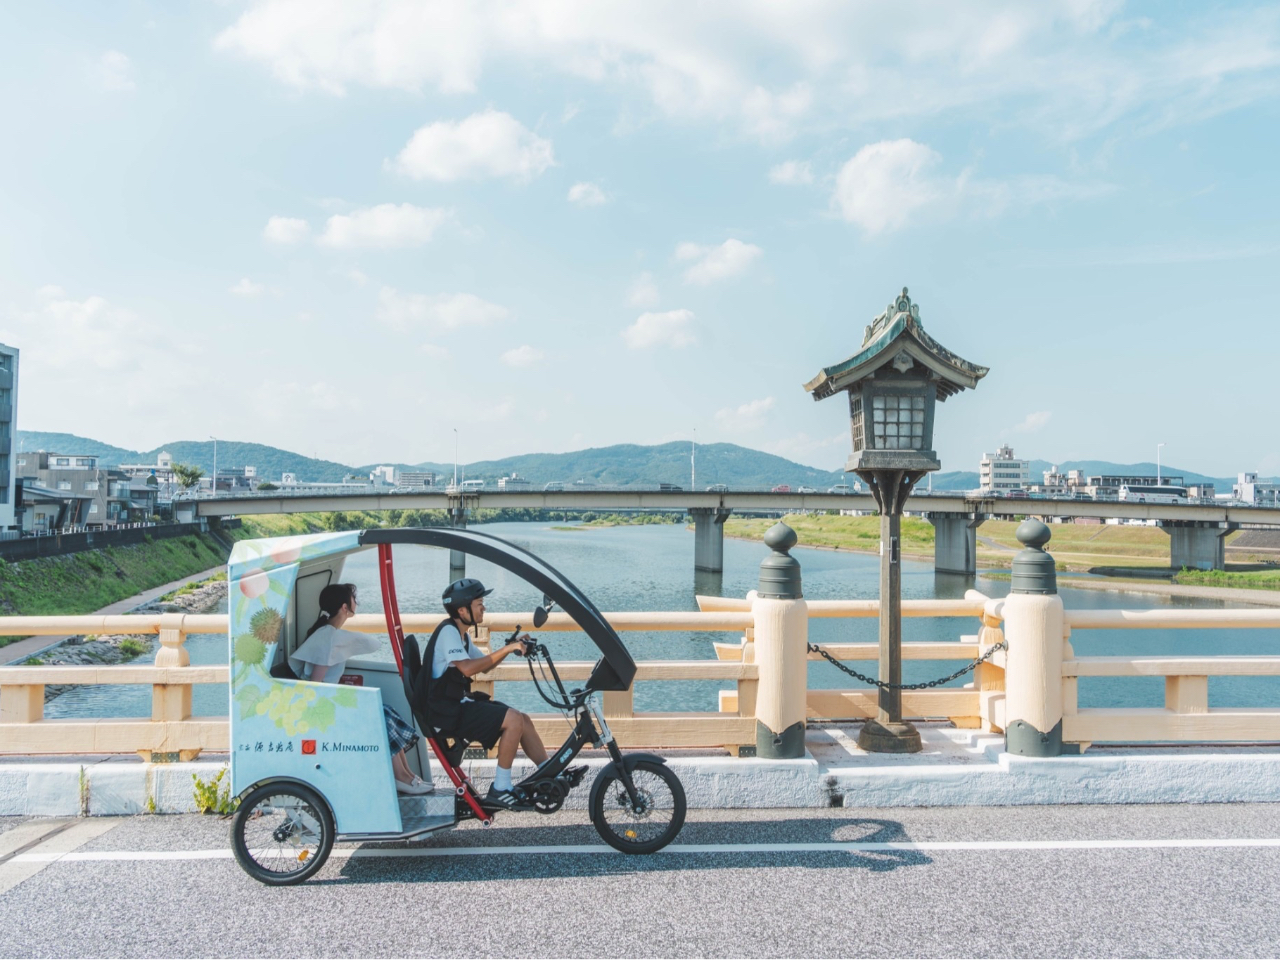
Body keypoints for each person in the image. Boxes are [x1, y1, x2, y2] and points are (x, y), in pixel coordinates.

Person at [428, 578, 579, 810]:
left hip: (456, 706)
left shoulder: (461, 635)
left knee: (523, 720)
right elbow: (467, 668)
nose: (484, 608)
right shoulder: (448, 632)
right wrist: (508, 648)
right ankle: (500, 787)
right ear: (462, 610)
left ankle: (550, 773)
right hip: (446, 713)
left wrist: (511, 647)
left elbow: (485, 665)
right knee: (513, 720)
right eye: (479, 604)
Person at [290, 583, 432, 796]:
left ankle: (407, 775)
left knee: (384, 711)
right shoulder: (327, 637)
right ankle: (401, 777)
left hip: (328, 703)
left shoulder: (329, 633)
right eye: (353, 599)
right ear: (344, 607)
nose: (356, 602)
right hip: (322, 710)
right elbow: (316, 686)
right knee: (379, 716)